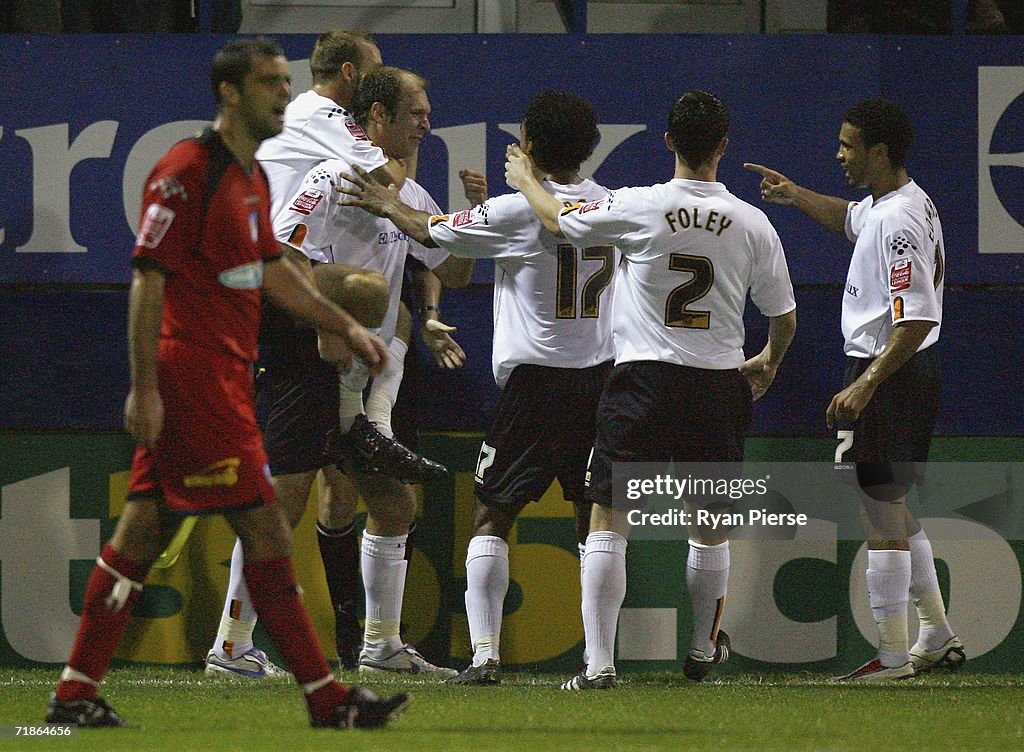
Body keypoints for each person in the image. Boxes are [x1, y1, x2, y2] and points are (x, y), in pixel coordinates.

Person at [44, 38, 408, 729]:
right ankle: (326, 699)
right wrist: (144, 386)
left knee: (142, 538)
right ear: (230, 94)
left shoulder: (250, 180)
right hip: (193, 383)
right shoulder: (187, 169)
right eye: (269, 83)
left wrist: (350, 327)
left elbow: (271, 272)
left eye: (283, 80)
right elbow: (147, 279)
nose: (283, 93)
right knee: (264, 529)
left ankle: (74, 691)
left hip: (224, 379)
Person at [505, 90, 797, 689]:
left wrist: (523, 178)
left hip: (643, 379)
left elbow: (559, 221)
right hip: (718, 383)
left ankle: (599, 666)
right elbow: (783, 314)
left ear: (668, 142)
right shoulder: (752, 222)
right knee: (709, 523)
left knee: (609, 515)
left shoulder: (637, 205)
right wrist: (767, 361)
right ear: (722, 145)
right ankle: (700, 651)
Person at [340, 89, 615, 685]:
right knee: (592, 517)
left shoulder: (517, 211)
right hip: (599, 382)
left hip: (534, 388)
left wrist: (388, 203)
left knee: (492, 516)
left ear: (532, 145)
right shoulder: (613, 206)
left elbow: (429, 231)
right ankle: (600, 664)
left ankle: (485, 656)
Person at [203, 32, 455, 679]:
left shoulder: (406, 194)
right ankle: (231, 646)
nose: (426, 126)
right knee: (282, 500)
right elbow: (284, 249)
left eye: (428, 116)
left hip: (358, 372)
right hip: (307, 353)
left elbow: (450, 268)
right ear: (376, 117)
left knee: (395, 506)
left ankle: (380, 645)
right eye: (415, 115)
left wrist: (470, 221)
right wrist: (331, 317)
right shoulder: (333, 172)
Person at [745, 97, 962, 681]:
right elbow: (850, 218)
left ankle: (892, 655)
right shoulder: (897, 204)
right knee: (890, 504)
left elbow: (914, 316)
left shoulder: (898, 221)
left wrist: (866, 384)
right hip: (900, 372)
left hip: (888, 373)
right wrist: (795, 196)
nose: (839, 154)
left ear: (880, 151)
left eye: (848, 145)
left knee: (876, 509)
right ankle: (936, 633)